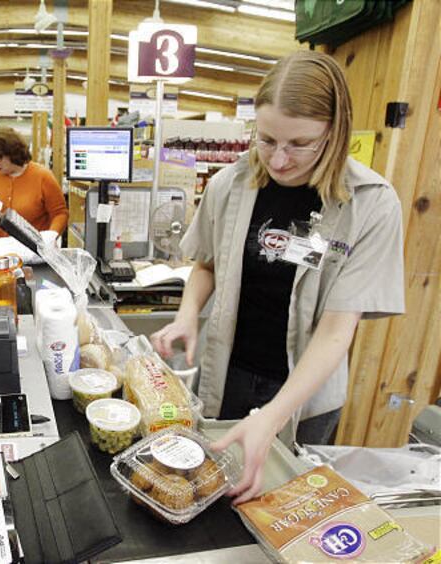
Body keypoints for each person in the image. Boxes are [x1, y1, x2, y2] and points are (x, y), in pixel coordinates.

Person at [151, 51, 404, 503]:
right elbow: (206, 263)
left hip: (306, 394)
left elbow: (334, 333)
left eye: (300, 144)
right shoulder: (230, 184)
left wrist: (272, 416)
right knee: (216, 491)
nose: (280, 160)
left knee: (287, 503)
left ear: (335, 131)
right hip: (228, 373)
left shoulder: (371, 204)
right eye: (266, 140)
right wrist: (188, 314)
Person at [0, 127, 68, 246]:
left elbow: (60, 213)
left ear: (12, 153)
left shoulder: (43, 177)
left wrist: (52, 236)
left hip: (33, 251)